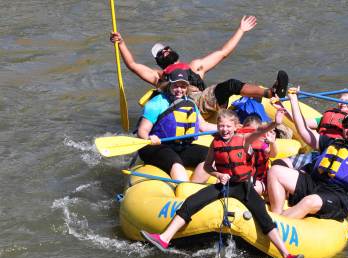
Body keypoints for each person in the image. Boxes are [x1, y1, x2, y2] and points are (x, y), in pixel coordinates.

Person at [140, 109, 304, 258]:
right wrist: (218, 174)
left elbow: (261, 130)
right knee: (192, 202)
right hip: (224, 185)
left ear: (235, 127)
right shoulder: (215, 143)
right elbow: (207, 166)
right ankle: (164, 238)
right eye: (221, 126)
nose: (224, 130)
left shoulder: (244, 139)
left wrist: (275, 122)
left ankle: (286, 255)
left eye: (227, 126)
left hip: (244, 187)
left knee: (262, 215)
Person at [109, 16, 288, 121]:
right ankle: (270, 92)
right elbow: (133, 66)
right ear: (158, 62)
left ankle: (272, 92)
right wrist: (122, 43)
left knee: (232, 86)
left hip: (206, 101)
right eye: (161, 53)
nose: (165, 51)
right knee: (232, 84)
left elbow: (223, 52)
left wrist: (241, 30)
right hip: (190, 105)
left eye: (166, 48)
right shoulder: (159, 76)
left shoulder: (195, 67)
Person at [266, 79, 348, 220]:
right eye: (346, 126)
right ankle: (276, 214)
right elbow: (303, 130)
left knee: (310, 201)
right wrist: (294, 101)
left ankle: (275, 223)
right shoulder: (332, 142)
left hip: (339, 195)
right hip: (316, 183)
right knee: (275, 171)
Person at [137, 68, 216, 182]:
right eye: (176, 86)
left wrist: (227, 128)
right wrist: (149, 138)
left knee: (212, 157)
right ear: (169, 85)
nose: (179, 89)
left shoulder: (190, 103)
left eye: (183, 86)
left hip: (181, 147)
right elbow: (142, 131)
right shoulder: (156, 103)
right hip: (156, 147)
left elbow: (203, 126)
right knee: (177, 165)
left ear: (187, 87)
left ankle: (193, 190)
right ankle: (184, 187)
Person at [272, 91, 348, 170]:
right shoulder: (326, 117)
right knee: (278, 164)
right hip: (317, 152)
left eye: (346, 101)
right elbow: (302, 122)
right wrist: (282, 107)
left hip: (334, 156)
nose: (342, 103)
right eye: (340, 100)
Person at [240, 115, 278, 195]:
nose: (252, 136)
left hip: (260, 181)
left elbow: (273, 154)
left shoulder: (262, 145)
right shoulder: (238, 142)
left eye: (255, 133)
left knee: (249, 186)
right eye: (249, 132)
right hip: (244, 177)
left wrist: (272, 143)